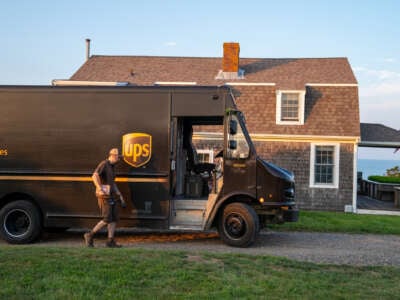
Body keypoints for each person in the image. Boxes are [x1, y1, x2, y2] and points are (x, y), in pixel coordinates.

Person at [84, 148, 126, 248]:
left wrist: (120, 195)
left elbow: (113, 183)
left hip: (112, 195)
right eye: (118, 157)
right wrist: (99, 188)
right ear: (113, 156)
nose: (119, 160)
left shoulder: (112, 167)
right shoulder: (104, 164)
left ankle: (110, 241)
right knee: (107, 218)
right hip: (104, 195)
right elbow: (94, 175)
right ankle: (90, 235)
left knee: (114, 218)